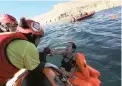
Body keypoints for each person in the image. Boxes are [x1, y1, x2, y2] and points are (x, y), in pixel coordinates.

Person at [0, 17, 45, 85]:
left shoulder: (5, 36)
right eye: (39, 37)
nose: (39, 41)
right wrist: (43, 57)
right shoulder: (28, 46)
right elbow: (36, 70)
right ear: (32, 35)